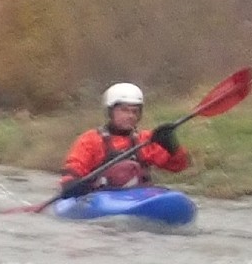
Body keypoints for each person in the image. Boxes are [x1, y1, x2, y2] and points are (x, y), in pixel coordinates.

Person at [57, 82, 190, 196]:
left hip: (138, 195)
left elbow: (178, 166)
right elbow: (74, 168)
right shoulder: (90, 140)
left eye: (135, 111)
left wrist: (173, 147)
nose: (130, 116)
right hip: (102, 196)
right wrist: (71, 183)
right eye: (124, 110)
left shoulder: (146, 139)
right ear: (110, 112)